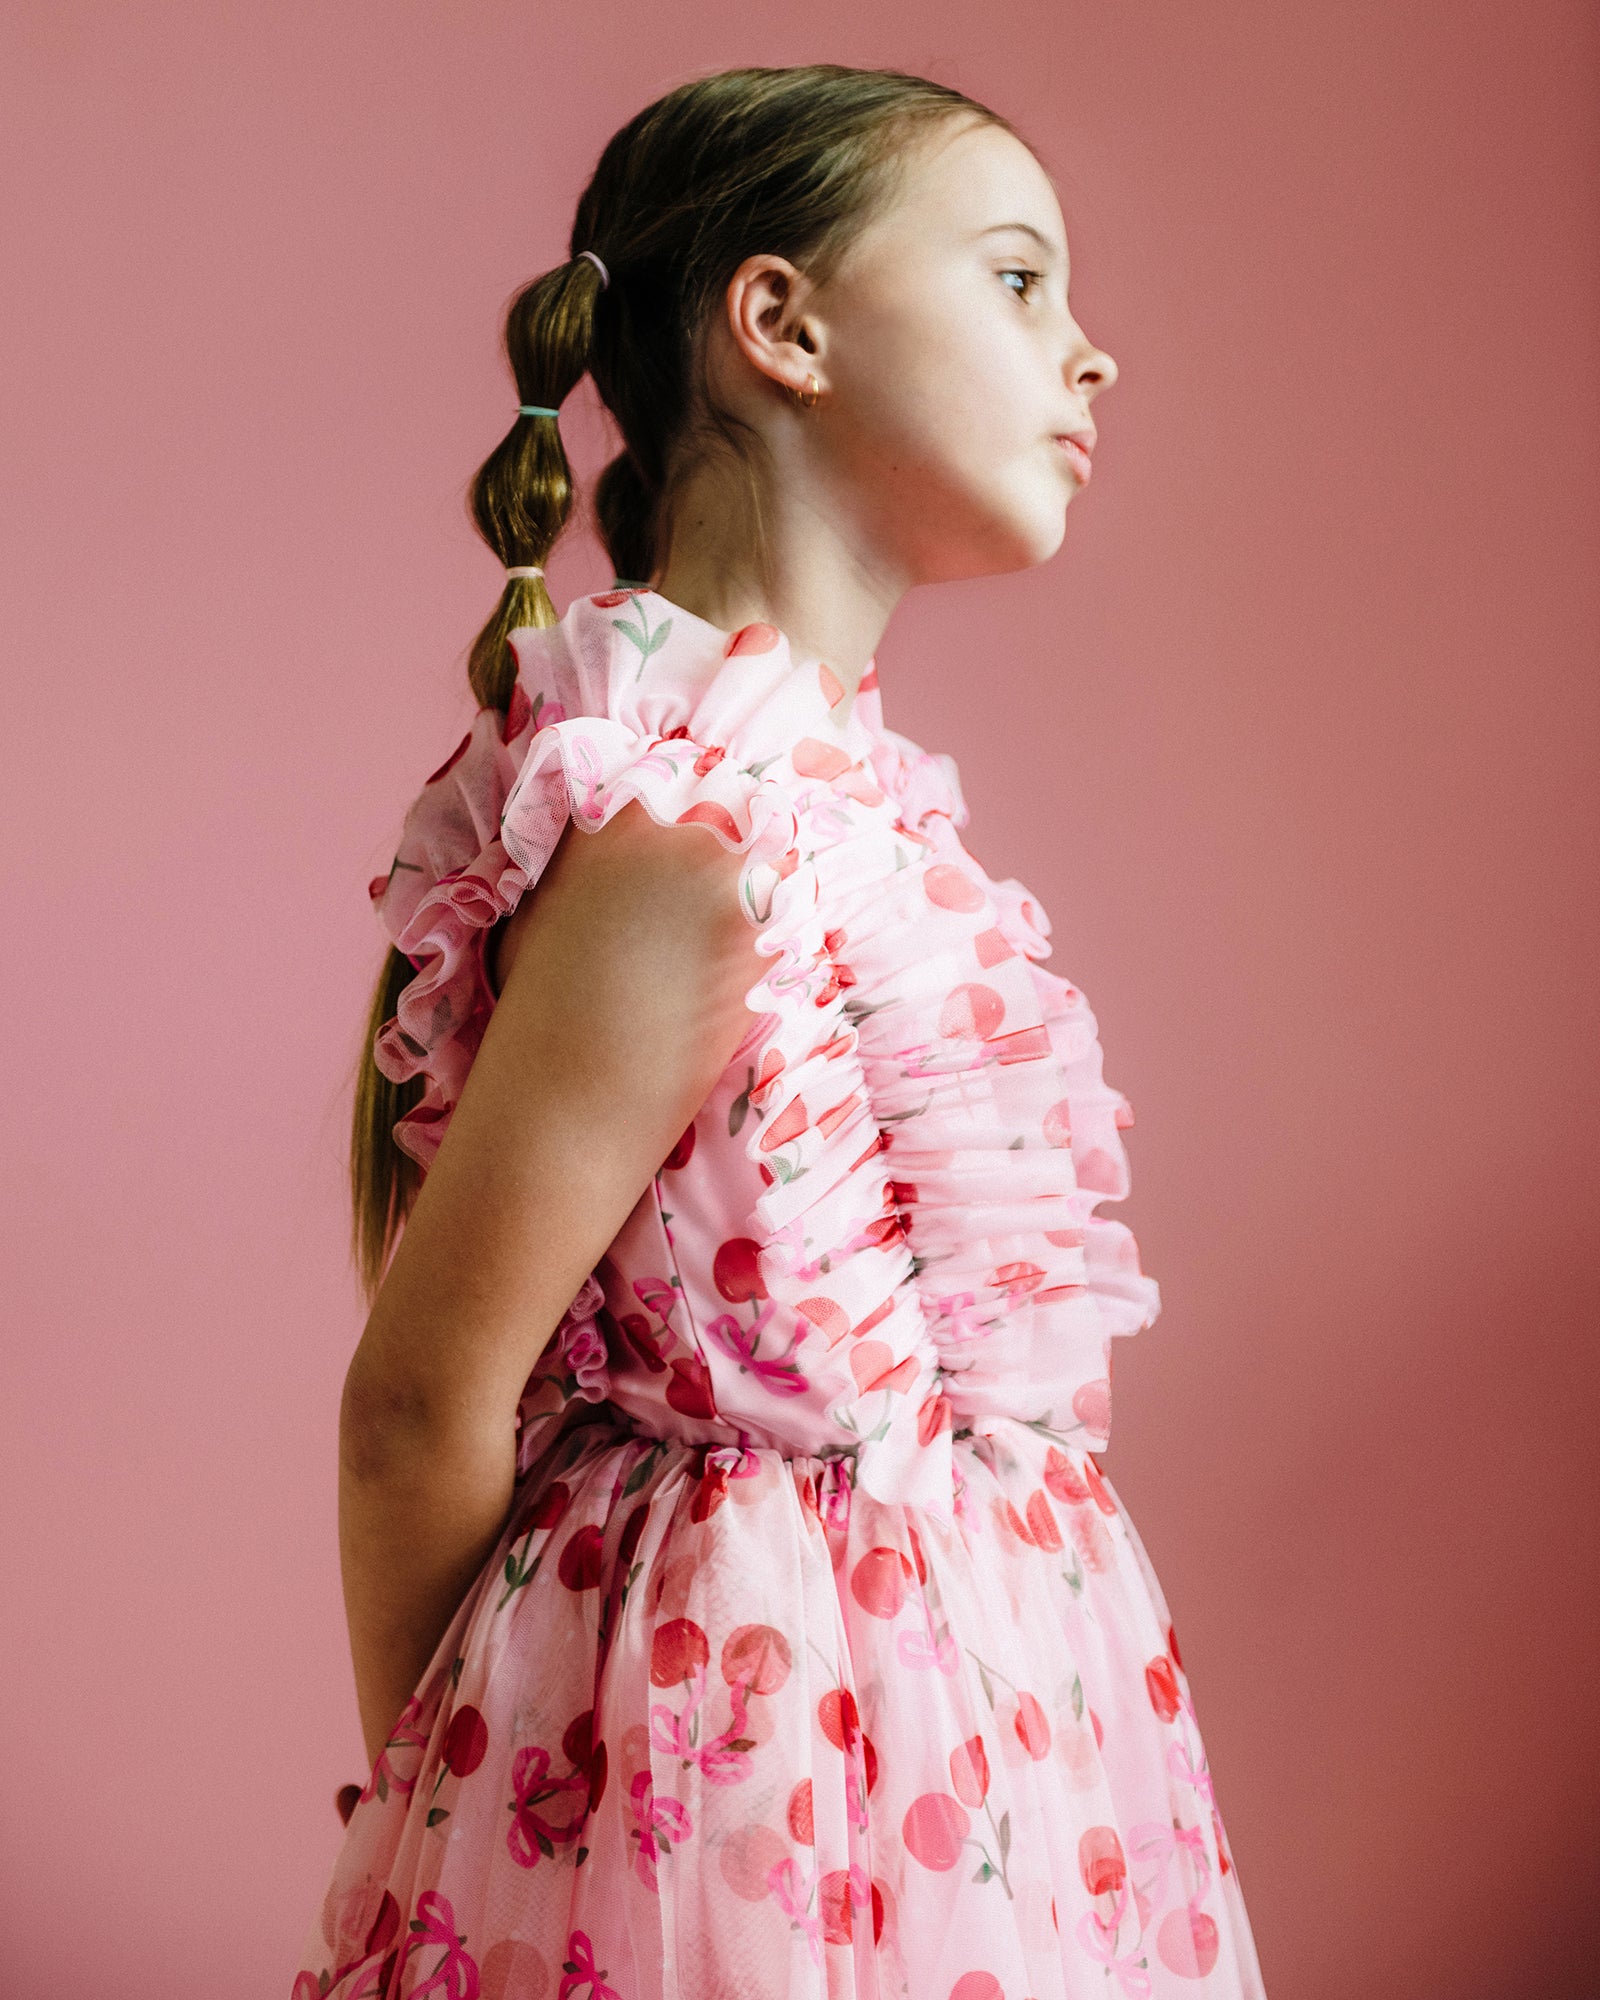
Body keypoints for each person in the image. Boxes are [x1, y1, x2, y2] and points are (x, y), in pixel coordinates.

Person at [293, 62, 1268, 2000]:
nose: (1086, 360)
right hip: (727, 1812)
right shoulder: (684, 850)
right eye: (1013, 281)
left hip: (996, 1771)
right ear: (778, 324)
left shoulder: (866, 823)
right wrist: (459, 1857)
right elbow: (415, 1411)